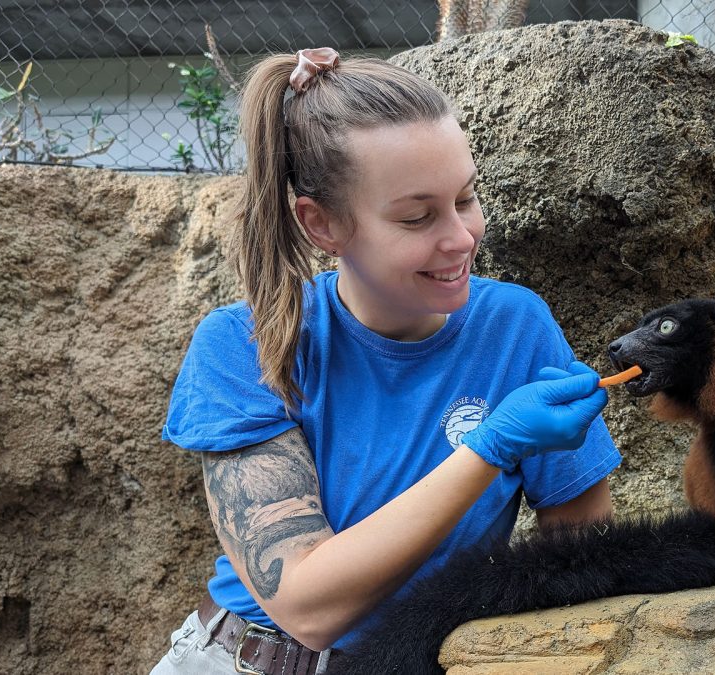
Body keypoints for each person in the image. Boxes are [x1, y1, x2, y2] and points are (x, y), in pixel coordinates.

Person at [151, 48, 620, 675]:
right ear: (321, 225)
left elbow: (578, 556)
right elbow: (307, 608)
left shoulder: (516, 325)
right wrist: (490, 446)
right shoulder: (243, 344)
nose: (460, 237)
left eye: (467, 198)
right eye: (417, 217)